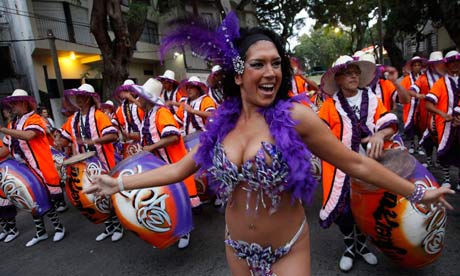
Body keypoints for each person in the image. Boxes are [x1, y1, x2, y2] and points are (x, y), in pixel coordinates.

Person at [84, 14, 454, 276]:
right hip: (236, 248)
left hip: (288, 246)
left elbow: (354, 164)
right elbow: (180, 169)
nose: (271, 72)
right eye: (259, 64)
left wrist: (416, 192)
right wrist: (118, 183)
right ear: (237, 72)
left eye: (276, 63)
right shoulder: (222, 124)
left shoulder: (296, 118)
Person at [319, 54, 403, 271]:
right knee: (344, 211)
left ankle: (363, 245)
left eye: (356, 72)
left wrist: (379, 135)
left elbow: (389, 122)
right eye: (348, 73)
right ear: (338, 79)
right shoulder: (329, 105)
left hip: (371, 165)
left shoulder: (372, 99)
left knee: (369, 208)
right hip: (340, 168)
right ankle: (349, 246)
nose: (354, 76)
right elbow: (319, 134)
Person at [132, 78, 199, 249]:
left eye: (139, 97)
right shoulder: (148, 114)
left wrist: (151, 147)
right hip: (160, 164)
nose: (137, 100)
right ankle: (174, 231)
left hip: (172, 163)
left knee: (178, 198)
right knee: (167, 199)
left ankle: (184, 232)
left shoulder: (162, 113)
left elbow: (174, 136)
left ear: (147, 99)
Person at [0, 89, 66, 247]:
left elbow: (29, 135)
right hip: (24, 169)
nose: (12, 107)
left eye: (14, 103)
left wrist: (3, 130)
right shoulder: (14, 124)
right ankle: (41, 232)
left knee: (42, 198)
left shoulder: (35, 119)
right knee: (29, 199)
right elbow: (6, 149)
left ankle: (59, 227)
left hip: (40, 166)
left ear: (23, 102)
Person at [59, 83, 124, 242]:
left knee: (108, 194)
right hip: (84, 167)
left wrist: (91, 140)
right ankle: (109, 226)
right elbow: (64, 139)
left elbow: (112, 136)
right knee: (96, 196)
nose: (78, 100)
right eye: (77, 97)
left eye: (81, 97)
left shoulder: (99, 116)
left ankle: (118, 226)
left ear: (89, 99)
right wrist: (57, 141)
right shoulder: (73, 119)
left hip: (103, 162)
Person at [425, 50, 460, 190]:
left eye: (457, 62)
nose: (455, 65)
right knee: (445, 151)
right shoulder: (440, 83)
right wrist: (443, 114)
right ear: (446, 65)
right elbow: (428, 103)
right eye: (451, 62)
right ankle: (446, 179)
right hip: (445, 124)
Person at [400, 56, 427, 154]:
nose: (417, 67)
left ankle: (419, 146)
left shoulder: (424, 78)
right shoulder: (407, 79)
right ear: (412, 67)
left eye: (419, 65)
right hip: (410, 106)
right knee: (411, 127)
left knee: (421, 127)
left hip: (421, 106)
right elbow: (402, 91)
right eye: (415, 65)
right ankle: (411, 144)